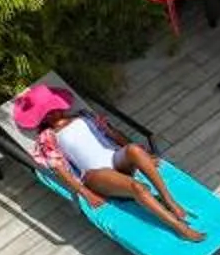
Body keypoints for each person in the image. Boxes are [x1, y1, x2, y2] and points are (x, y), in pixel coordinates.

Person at [31, 102, 202, 242]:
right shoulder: (47, 136)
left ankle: (169, 200)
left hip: (114, 157)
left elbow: (113, 134)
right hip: (95, 174)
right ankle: (180, 228)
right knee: (138, 187)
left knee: (134, 149)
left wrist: (145, 155)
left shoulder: (84, 115)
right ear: (43, 118)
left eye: (53, 106)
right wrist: (86, 193)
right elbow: (60, 169)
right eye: (47, 111)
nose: (53, 111)